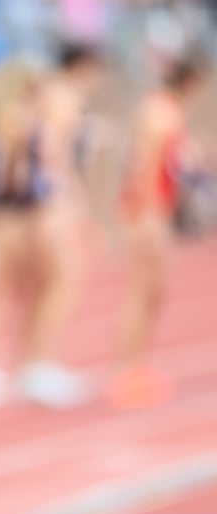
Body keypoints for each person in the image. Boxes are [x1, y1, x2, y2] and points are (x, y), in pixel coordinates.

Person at [0, 44, 102, 409]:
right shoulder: (9, 117)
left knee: (25, 287)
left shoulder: (18, 116)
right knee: (5, 285)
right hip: (10, 211)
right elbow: (15, 172)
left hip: (20, 210)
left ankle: (26, 366)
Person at [109, 58, 206, 409]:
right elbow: (145, 165)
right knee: (140, 289)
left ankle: (135, 364)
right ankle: (126, 370)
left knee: (154, 292)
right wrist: (147, 214)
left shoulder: (169, 111)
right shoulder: (160, 111)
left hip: (156, 209)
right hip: (148, 211)